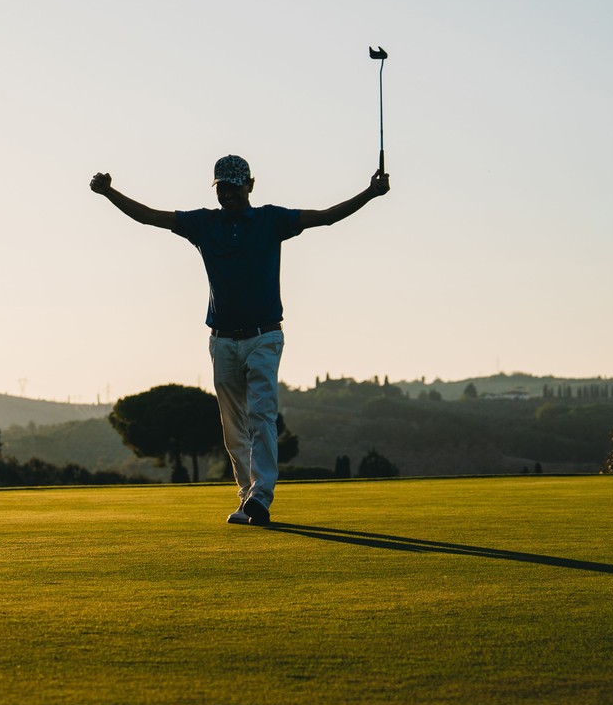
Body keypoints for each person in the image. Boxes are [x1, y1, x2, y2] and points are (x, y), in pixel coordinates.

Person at [90, 155, 389, 525]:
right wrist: (109, 193)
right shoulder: (203, 223)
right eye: (223, 187)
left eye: (235, 186)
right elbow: (150, 216)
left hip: (264, 336)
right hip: (222, 341)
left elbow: (326, 216)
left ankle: (261, 496)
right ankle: (248, 495)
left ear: (250, 185)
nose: (229, 193)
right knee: (233, 425)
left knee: (261, 414)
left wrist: (370, 193)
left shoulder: (271, 219)